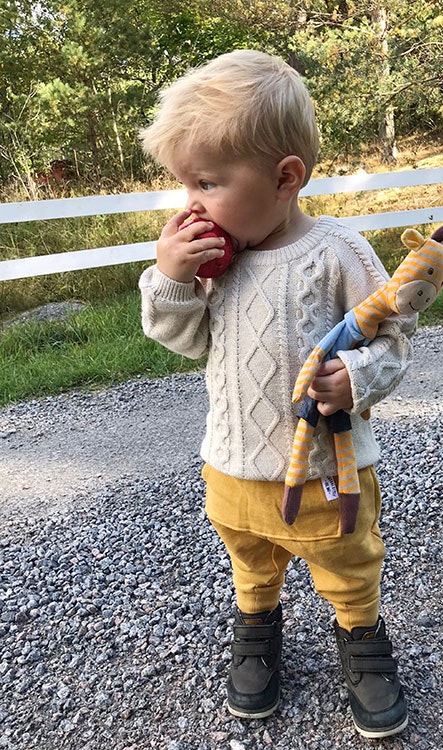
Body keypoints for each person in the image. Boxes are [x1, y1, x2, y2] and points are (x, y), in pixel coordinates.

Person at [139, 49, 416, 739]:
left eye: (206, 182)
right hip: (233, 462)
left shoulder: (338, 253)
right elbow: (184, 340)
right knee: (250, 558)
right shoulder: (213, 260)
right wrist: (171, 278)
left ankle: (361, 637)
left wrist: (354, 378)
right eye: (183, 186)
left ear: (285, 176)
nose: (190, 205)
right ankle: (258, 626)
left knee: (346, 560)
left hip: (326, 471)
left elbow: (394, 339)